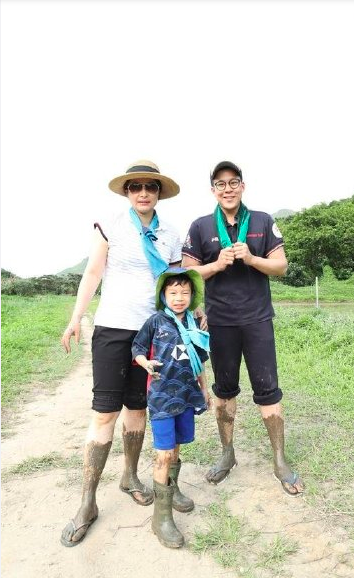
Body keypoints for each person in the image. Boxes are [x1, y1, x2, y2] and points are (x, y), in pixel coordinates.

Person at [60, 159, 183, 547]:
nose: (143, 192)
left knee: (138, 408)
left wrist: (190, 322)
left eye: (150, 186)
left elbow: (175, 287)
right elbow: (93, 273)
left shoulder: (170, 234)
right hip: (113, 329)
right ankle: (87, 502)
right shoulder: (111, 226)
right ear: (127, 192)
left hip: (152, 333)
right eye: (135, 187)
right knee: (105, 412)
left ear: (159, 192)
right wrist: (76, 318)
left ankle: (129, 475)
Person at [181, 160, 304, 496]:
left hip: (258, 320)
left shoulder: (262, 221)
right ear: (213, 191)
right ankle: (227, 453)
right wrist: (217, 264)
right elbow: (188, 275)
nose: (227, 188)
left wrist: (251, 259)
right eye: (220, 184)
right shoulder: (201, 227)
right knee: (224, 391)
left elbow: (280, 265)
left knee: (268, 390)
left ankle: (279, 459)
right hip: (219, 322)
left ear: (242, 186)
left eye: (233, 182)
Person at [132, 268, 211, 548]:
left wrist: (204, 389)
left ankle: (173, 489)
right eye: (173, 292)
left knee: (177, 447)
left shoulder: (195, 324)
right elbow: (138, 348)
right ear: (163, 295)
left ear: (192, 296)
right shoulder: (155, 322)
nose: (179, 298)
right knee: (163, 455)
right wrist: (145, 363)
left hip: (187, 396)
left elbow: (199, 361)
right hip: (163, 399)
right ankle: (161, 518)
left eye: (185, 293)